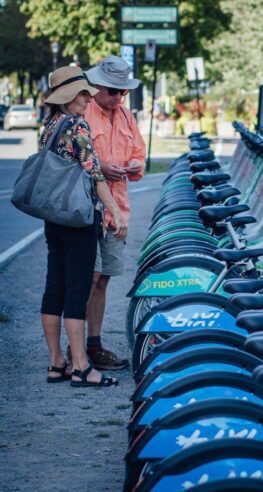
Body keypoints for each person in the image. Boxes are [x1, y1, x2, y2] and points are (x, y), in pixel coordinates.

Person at [40, 66, 126, 387]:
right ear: (68, 97)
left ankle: (56, 363)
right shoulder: (77, 125)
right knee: (77, 291)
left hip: (54, 217)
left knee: (54, 289)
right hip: (79, 217)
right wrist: (114, 210)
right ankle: (81, 367)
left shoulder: (48, 127)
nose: (87, 98)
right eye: (82, 93)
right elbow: (94, 172)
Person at [77, 55, 146, 371]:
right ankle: (80, 349)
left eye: (123, 92)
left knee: (102, 279)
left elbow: (140, 156)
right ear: (98, 86)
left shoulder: (126, 116)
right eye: (113, 91)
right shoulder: (84, 112)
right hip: (88, 209)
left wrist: (134, 166)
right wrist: (100, 167)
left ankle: (94, 344)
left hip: (118, 211)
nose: (119, 98)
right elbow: (72, 158)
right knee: (86, 279)